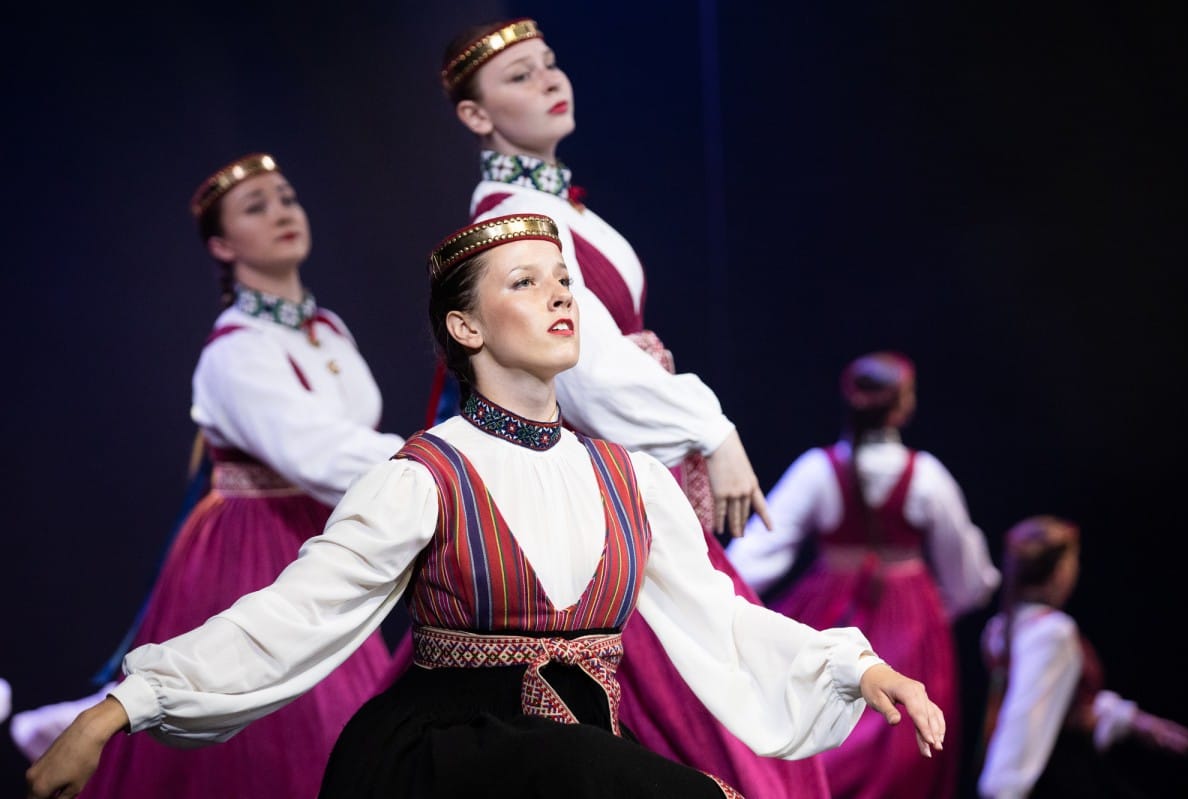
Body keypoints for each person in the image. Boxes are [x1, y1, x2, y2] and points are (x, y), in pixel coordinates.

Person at [27, 214, 947, 799]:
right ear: (465, 327)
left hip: (575, 769)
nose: (558, 293)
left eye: (563, 279)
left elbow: (725, 620)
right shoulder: (425, 476)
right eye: (525, 282)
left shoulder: (629, 478)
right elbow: (290, 616)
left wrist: (855, 667)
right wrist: (115, 711)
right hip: (446, 762)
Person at [418, 19, 829, 797]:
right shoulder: (511, 219)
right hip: (585, 489)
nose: (549, 79)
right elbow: (589, 373)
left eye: (550, 63)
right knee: (689, 714)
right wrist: (710, 427)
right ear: (475, 115)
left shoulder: (553, 206)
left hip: (614, 473)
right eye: (519, 76)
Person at [19, 154, 403, 799]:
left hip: (322, 526)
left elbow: (344, 439)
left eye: (286, 197)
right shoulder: (234, 352)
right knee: (282, 718)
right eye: (257, 207)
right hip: (254, 549)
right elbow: (314, 451)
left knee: (341, 707)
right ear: (223, 246)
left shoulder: (328, 329)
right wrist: (437, 462)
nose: (282, 212)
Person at [725, 351, 1001, 799]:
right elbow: (969, 579)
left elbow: (756, 554)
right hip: (911, 625)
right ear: (903, 407)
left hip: (831, 614)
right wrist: (936, 609)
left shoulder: (817, 470)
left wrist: (721, 595)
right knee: (905, 750)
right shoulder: (927, 476)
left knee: (820, 727)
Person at [977, 516, 1188, 798]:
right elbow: (1024, 722)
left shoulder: (999, 630)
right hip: (1061, 774)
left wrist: (1131, 720)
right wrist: (1003, 790)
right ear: (1060, 572)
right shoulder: (1051, 634)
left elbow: (1066, 706)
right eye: (1074, 560)